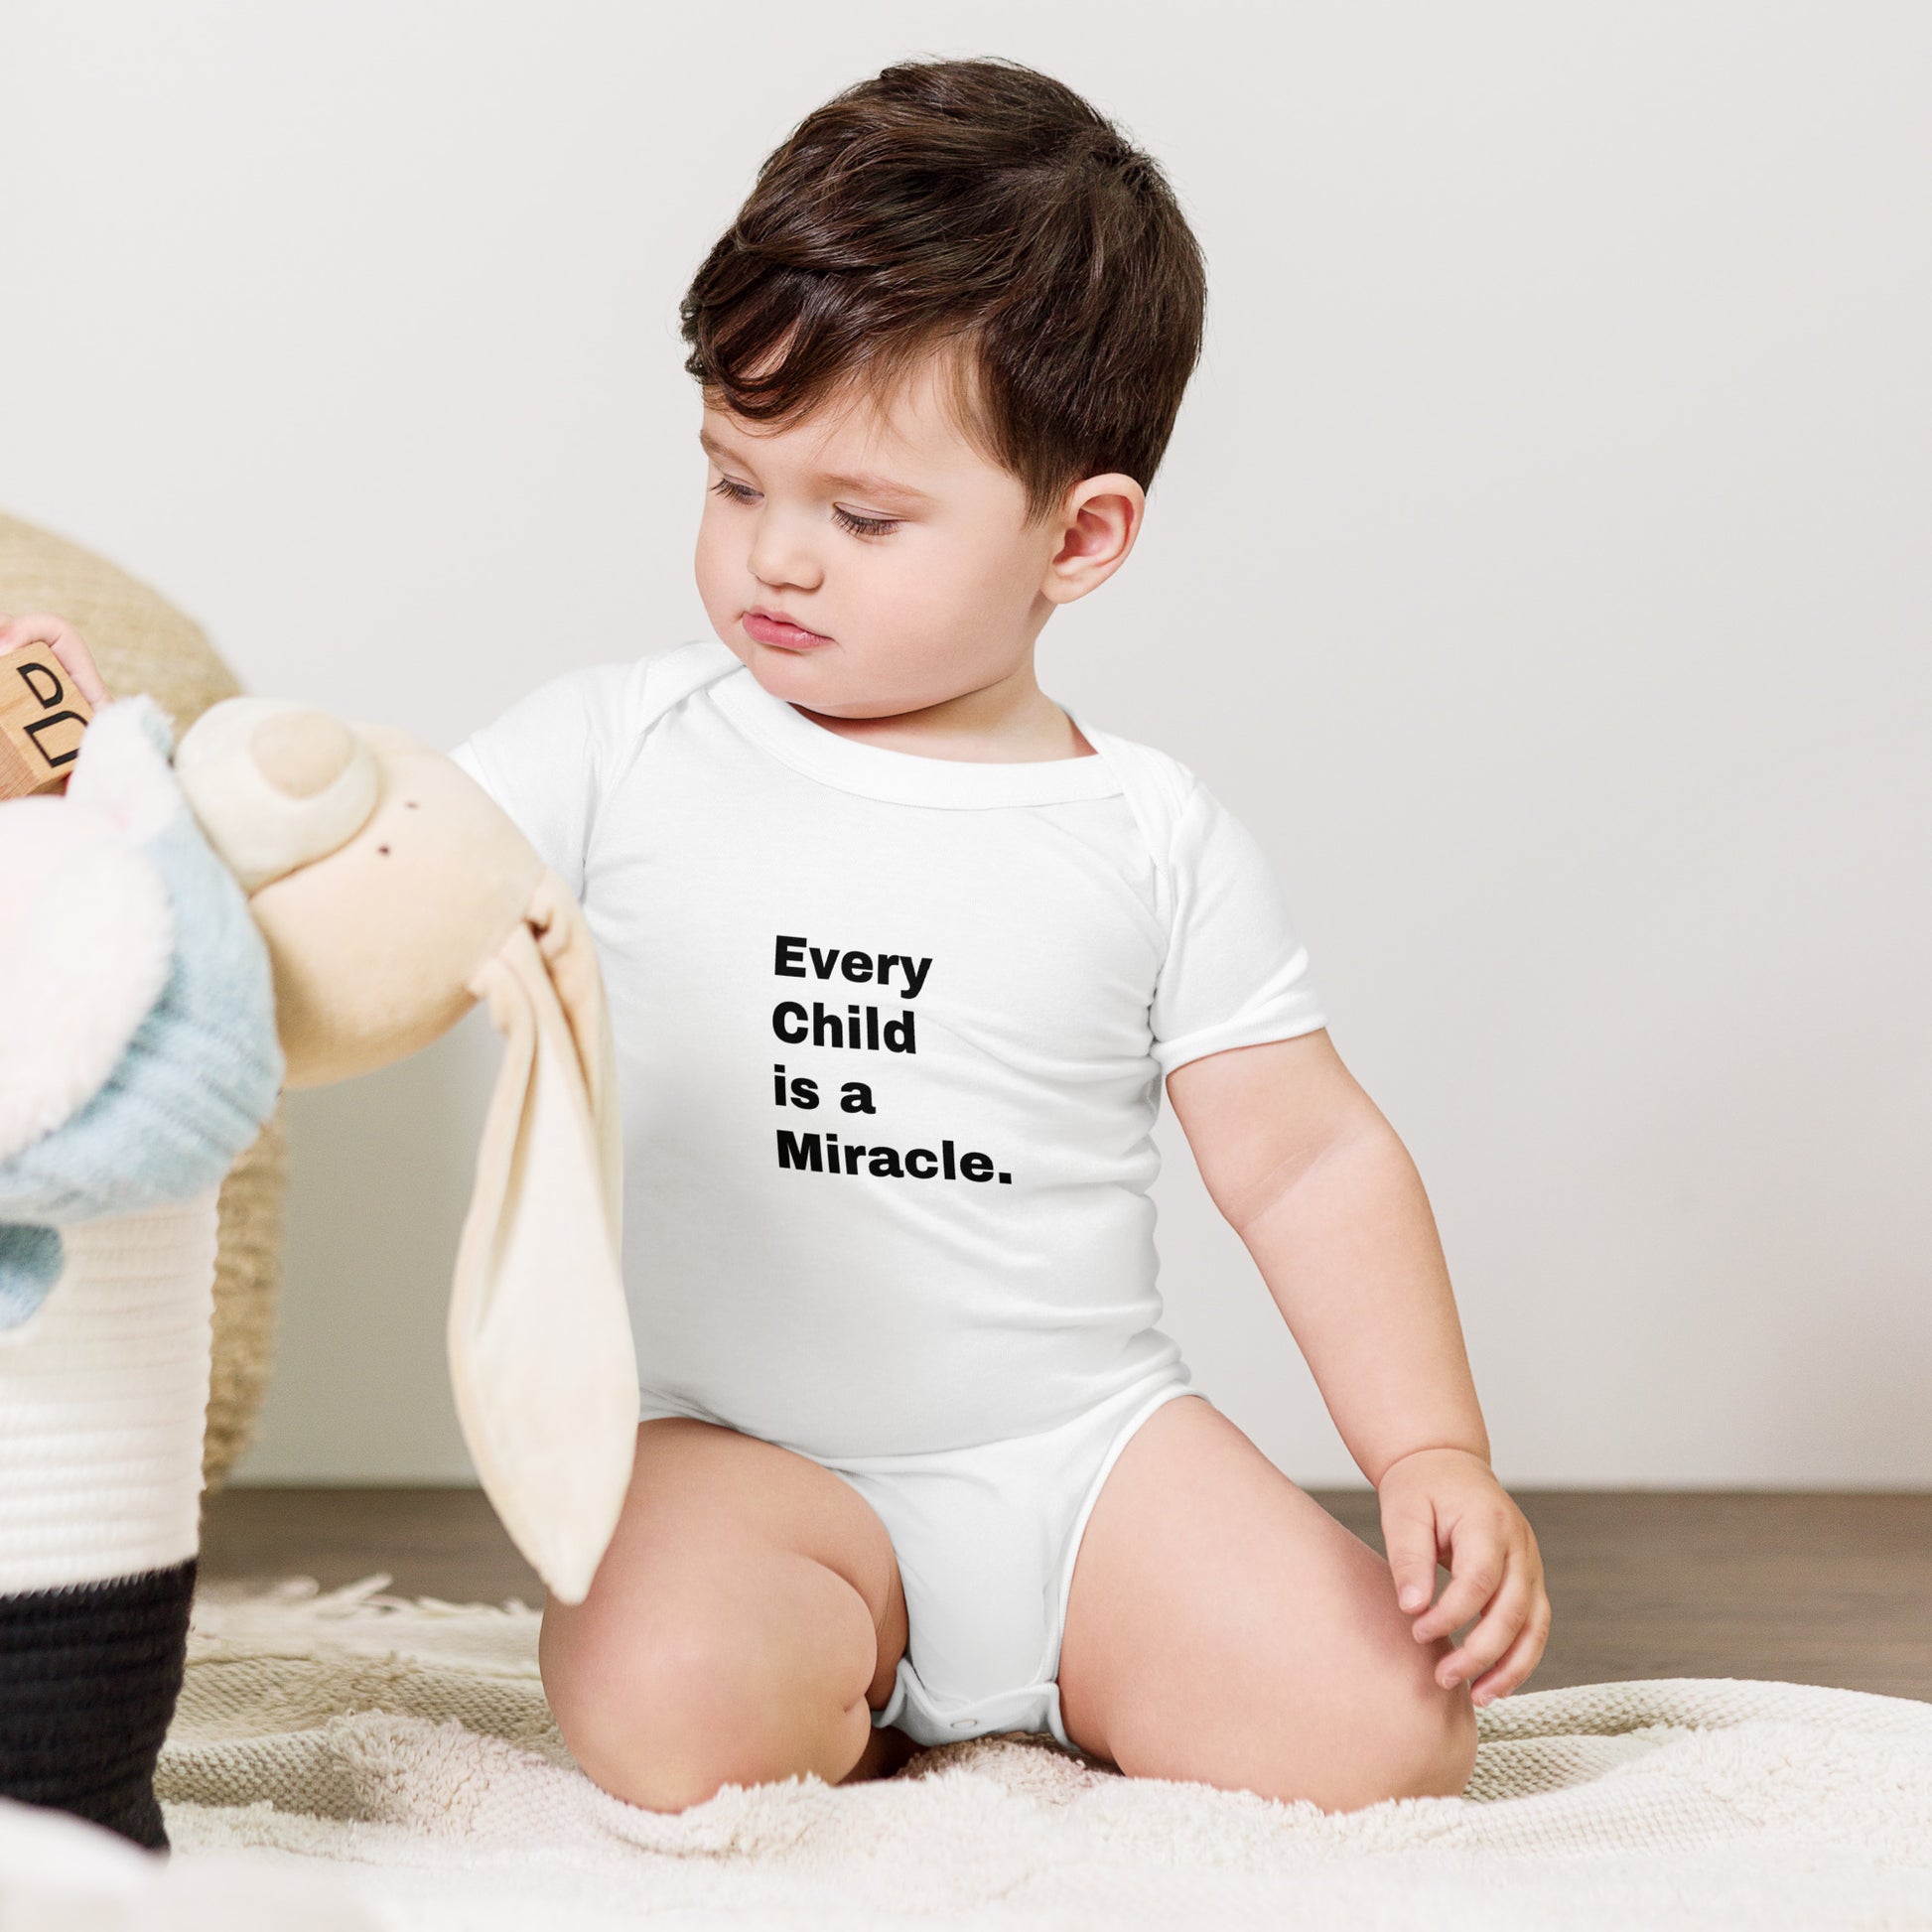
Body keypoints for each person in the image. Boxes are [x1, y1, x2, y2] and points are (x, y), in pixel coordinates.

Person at [7, 54, 1550, 1817]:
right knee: (658, 1703)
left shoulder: (1147, 834)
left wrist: (1427, 1447)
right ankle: (852, 1680)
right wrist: (132, 831)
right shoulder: (619, 750)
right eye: (736, 482)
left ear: (1083, 535)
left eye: (862, 515)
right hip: (746, 1456)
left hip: (1079, 1456)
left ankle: (1044, 1672)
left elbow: (1305, 1163)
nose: (775, 560)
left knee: (1388, 1734)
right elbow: (384, 871)